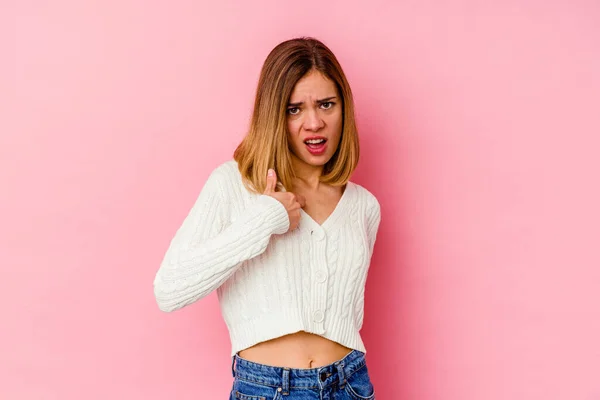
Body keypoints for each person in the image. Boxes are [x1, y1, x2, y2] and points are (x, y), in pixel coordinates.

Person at [153, 37, 382, 399]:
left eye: (327, 104)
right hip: (266, 388)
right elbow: (169, 290)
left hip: (349, 384)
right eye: (294, 109)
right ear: (274, 114)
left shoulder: (363, 206)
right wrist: (264, 219)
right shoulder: (234, 184)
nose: (314, 122)